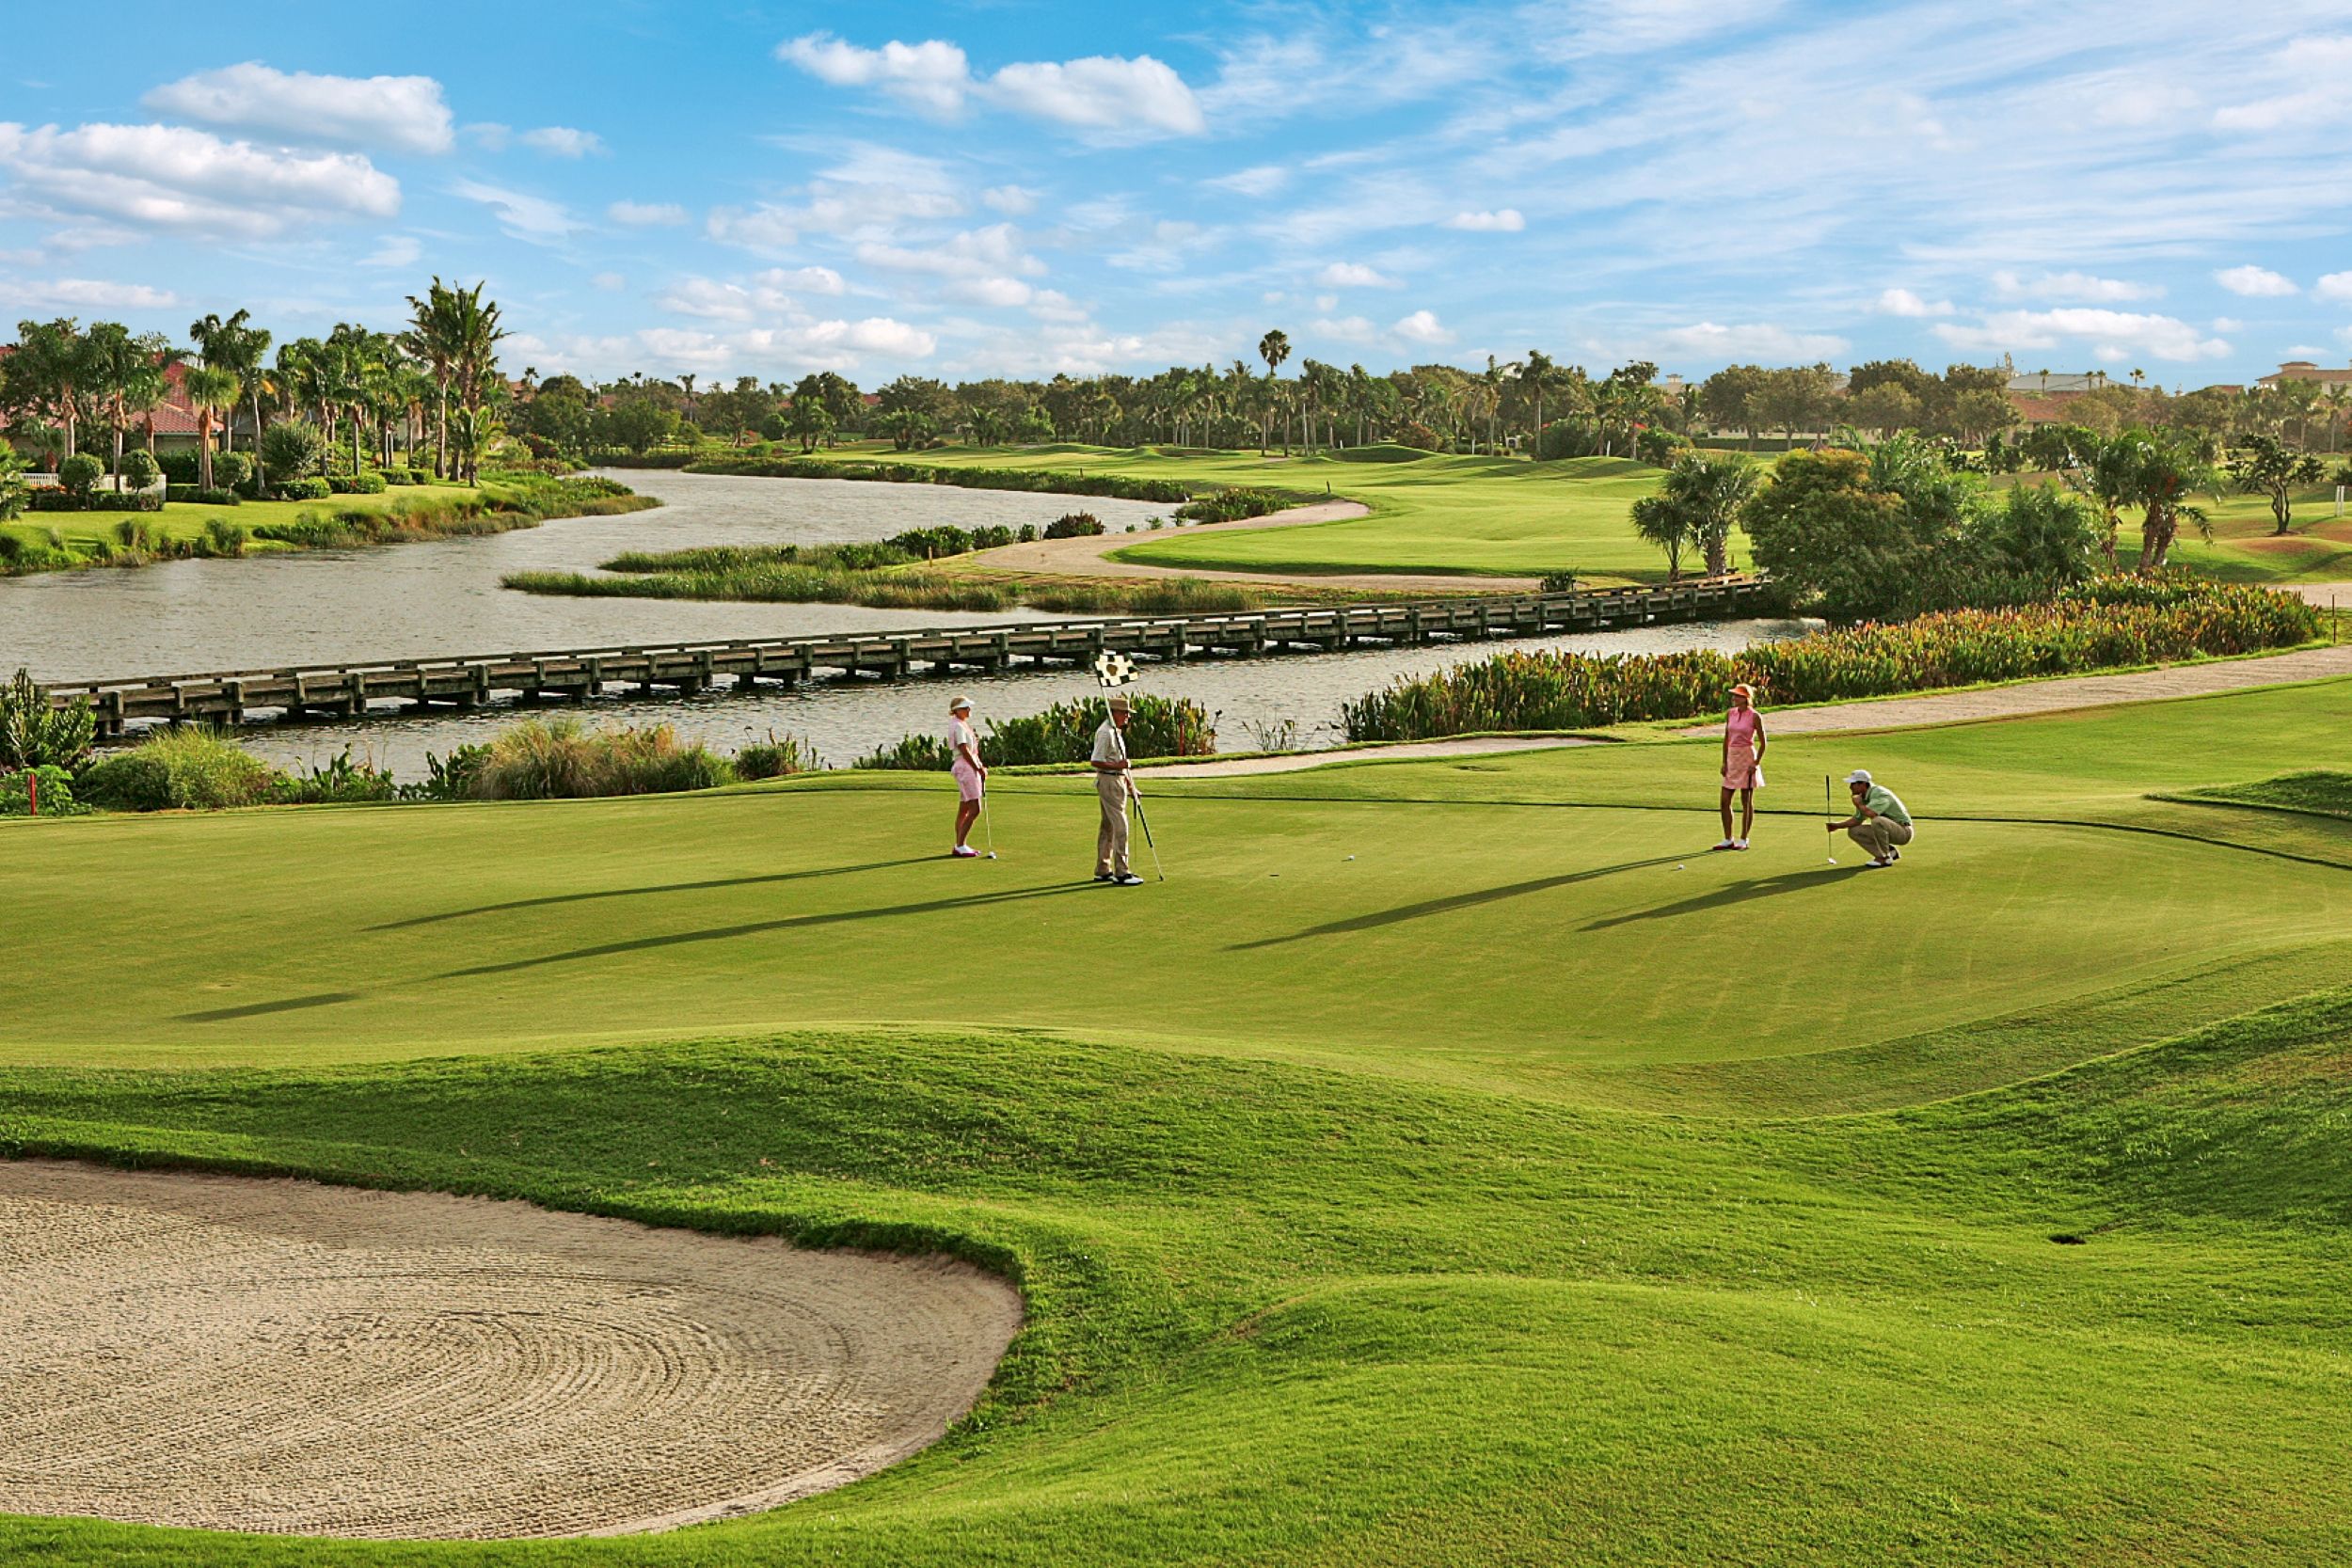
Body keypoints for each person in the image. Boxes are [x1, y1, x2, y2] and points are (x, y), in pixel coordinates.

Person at [1090, 692, 1144, 886]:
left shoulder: (1116, 732)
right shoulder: (1105, 732)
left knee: (1108, 826)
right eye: (1125, 713)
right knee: (1121, 826)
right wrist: (1119, 766)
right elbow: (1096, 761)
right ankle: (1122, 872)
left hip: (1117, 781)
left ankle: (1103, 869)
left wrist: (1132, 788)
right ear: (1114, 713)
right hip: (1109, 781)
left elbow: (1123, 767)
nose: (1128, 716)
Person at [1829, 768, 1914, 868]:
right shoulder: (1863, 797)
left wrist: (1859, 805)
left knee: (1877, 820)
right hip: (1890, 830)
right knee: (1854, 831)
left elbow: (1872, 814)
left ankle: (1884, 858)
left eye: (1853, 784)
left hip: (1903, 832)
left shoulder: (1880, 793)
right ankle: (1889, 852)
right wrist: (1837, 826)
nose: (1850, 787)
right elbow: (1857, 820)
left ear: (1863, 784)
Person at [1716, 682, 1766, 850]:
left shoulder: (1755, 716)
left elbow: (1763, 743)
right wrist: (1724, 762)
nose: (1734, 698)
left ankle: (1744, 839)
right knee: (1724, 800)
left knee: (1746, 801)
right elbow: (1726, 738)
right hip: (1732, 757)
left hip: (1747, 758)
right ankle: (1728, 838)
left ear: (1745, 698)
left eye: (1737, 695)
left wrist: (1756, 762)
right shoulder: (1730, 713)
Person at [946, 695, 987, 858]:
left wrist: (980, 765)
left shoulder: (960, 724)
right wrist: (978, 767)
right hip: (966, 767)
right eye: (965, 708)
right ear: (957, 710)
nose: (969, 710)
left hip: (967, 766)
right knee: (975, 808)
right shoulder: (958, 727)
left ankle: (960, 844)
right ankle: (960, 845)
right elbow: (964, 749)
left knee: (964, 807)